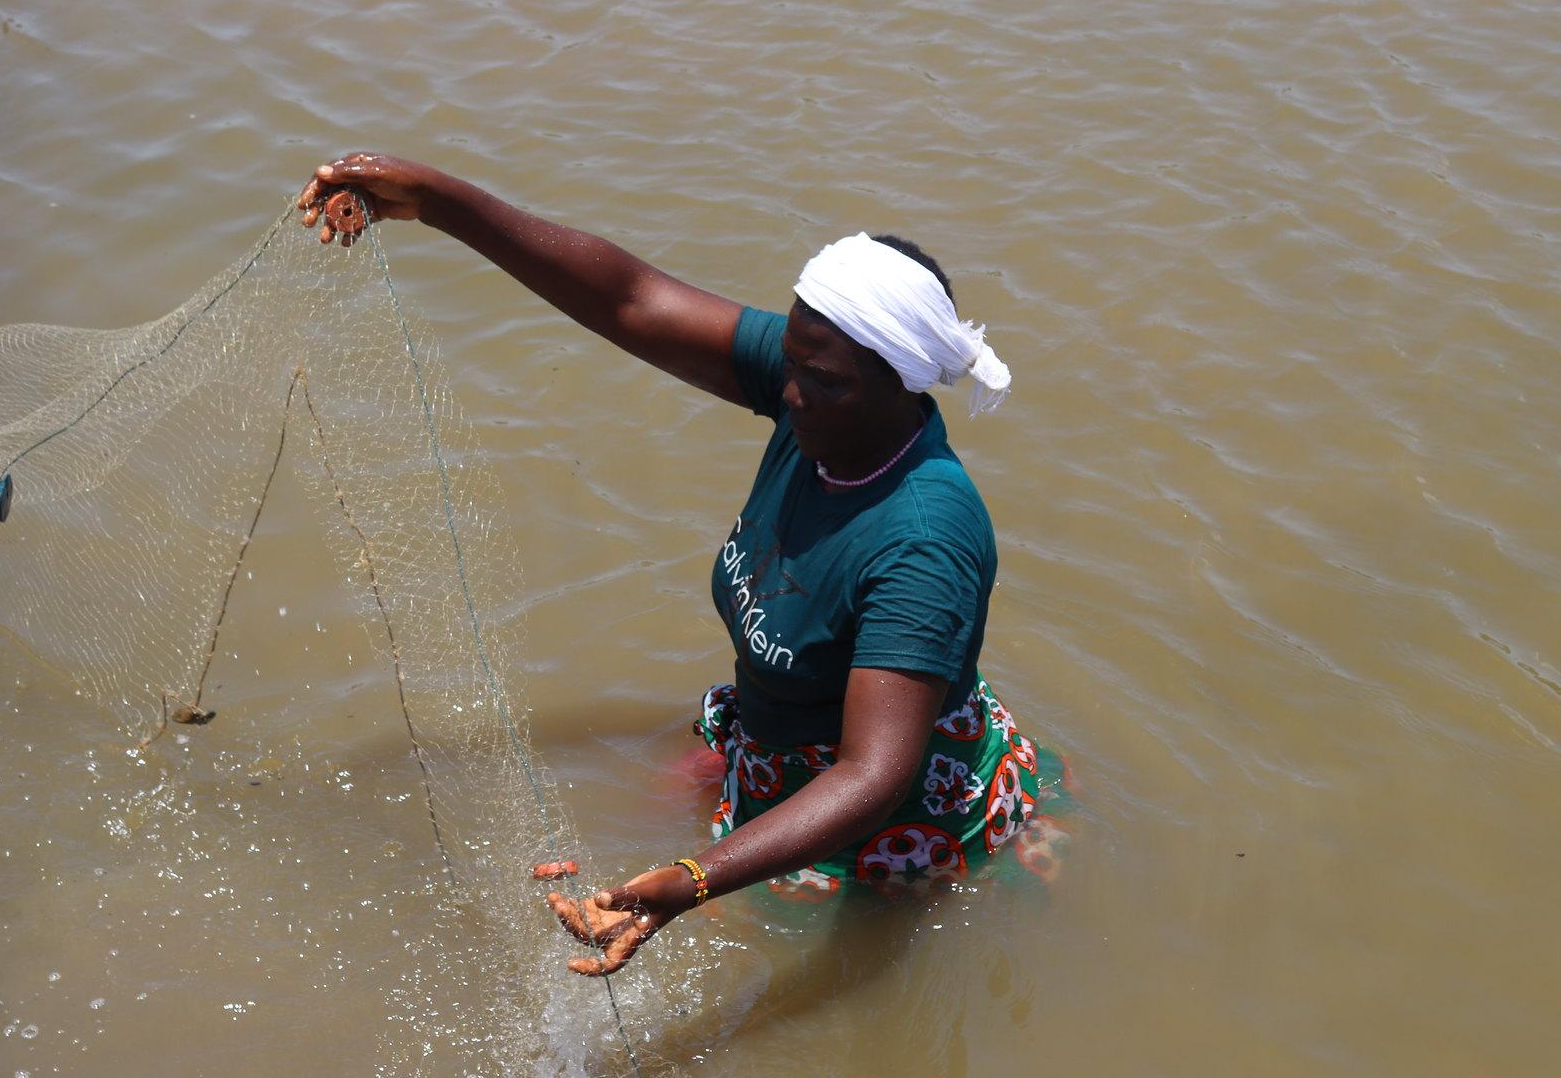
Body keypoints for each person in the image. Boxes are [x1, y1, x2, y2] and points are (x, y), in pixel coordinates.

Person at [297, 154, 1046, 977]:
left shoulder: (923, 539)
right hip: (780, 743)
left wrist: (694, 880)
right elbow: (630, 299)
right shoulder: (820, 395)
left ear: (897, 384)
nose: (787, 392)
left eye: (819, 380)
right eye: (788, 361)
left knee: (816, 972)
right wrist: (438, 203)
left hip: (881, 818)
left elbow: (872, 772)